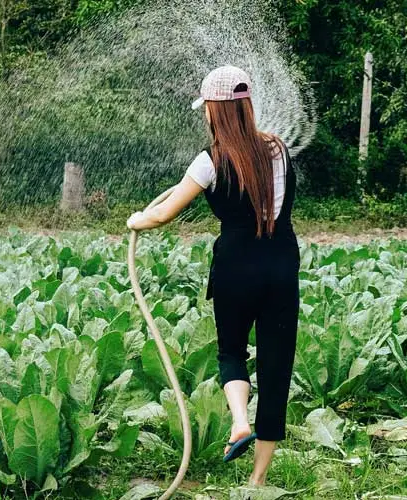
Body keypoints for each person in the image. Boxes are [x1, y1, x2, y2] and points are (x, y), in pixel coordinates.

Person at [126, 65, 300, 486]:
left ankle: (240, 421)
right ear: (247, 106)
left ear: (216, 111)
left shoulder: (210, 161)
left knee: (231, 352)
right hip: (280, 265)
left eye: (206, 109)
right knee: (276, 368)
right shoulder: (278, 148)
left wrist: (137, 220)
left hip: (236, 267)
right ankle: (257, 483)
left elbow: (164, 213)